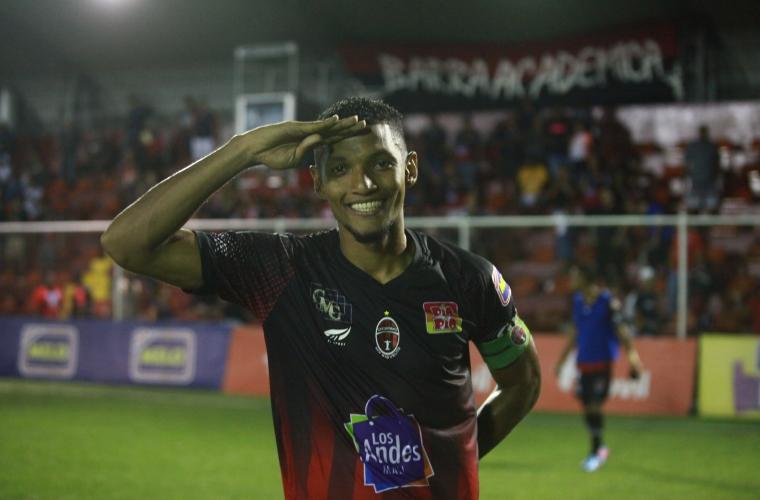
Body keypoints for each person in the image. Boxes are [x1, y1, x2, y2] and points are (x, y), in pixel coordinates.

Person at [101, 97, 541, 499]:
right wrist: (243, 151)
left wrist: (456, 458)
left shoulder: (468, 279)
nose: (362, 184)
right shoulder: (280, 271)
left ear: (409, 168)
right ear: (317, 181)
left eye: (380, 163)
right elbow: (126, 243)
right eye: (340, 168)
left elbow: (523, 381)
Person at [555, 264, 642, 473]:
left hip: (602, 363)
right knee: (587, 408)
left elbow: (622, 332)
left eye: (575, 276)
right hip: (583, 363)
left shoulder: (607, 302)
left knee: (594, 405)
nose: (571, 280)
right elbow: (575, 332)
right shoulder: (578, 301)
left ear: (585, 278)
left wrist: (633, 359)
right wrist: (561, 361)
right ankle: (600, 447)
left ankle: (595, 452)